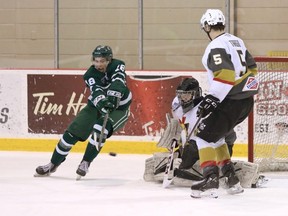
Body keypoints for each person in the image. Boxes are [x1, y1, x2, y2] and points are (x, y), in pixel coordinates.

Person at [143, 78, 267, 189]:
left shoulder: (206, 109)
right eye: (181, 95)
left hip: (221, 140)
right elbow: (181, 122)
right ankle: (210, 171)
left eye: (186, 96)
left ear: (196, 94)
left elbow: (223, 132)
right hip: (198, 140)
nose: (182, 99)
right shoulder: (177, 104)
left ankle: (221, 173)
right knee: (186, 158)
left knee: (192, 153)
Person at [34, 45, 132, 179]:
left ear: (109, 60)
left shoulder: (118, 65)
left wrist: (113, 97)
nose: (98, 64)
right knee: (71, 133)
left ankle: (85, 162)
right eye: (96, 61)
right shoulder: (89, 75)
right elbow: (96, 90)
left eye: (102, 61)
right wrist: (103, 102)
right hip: (96, 106)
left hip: (119, 108)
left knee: (100, 129)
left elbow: (118, 81)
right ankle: (53, 164)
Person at [190, 9, 259, 198]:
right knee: (218, 137)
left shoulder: (215, 46)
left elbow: (226, 75)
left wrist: (211, 99)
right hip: (245, 101)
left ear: (206, 26)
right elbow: (252, 69)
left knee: (202, 137)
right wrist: (242, 89)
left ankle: (210, 181)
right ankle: (231, 180)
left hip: (229, 102)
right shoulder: (237, 41)